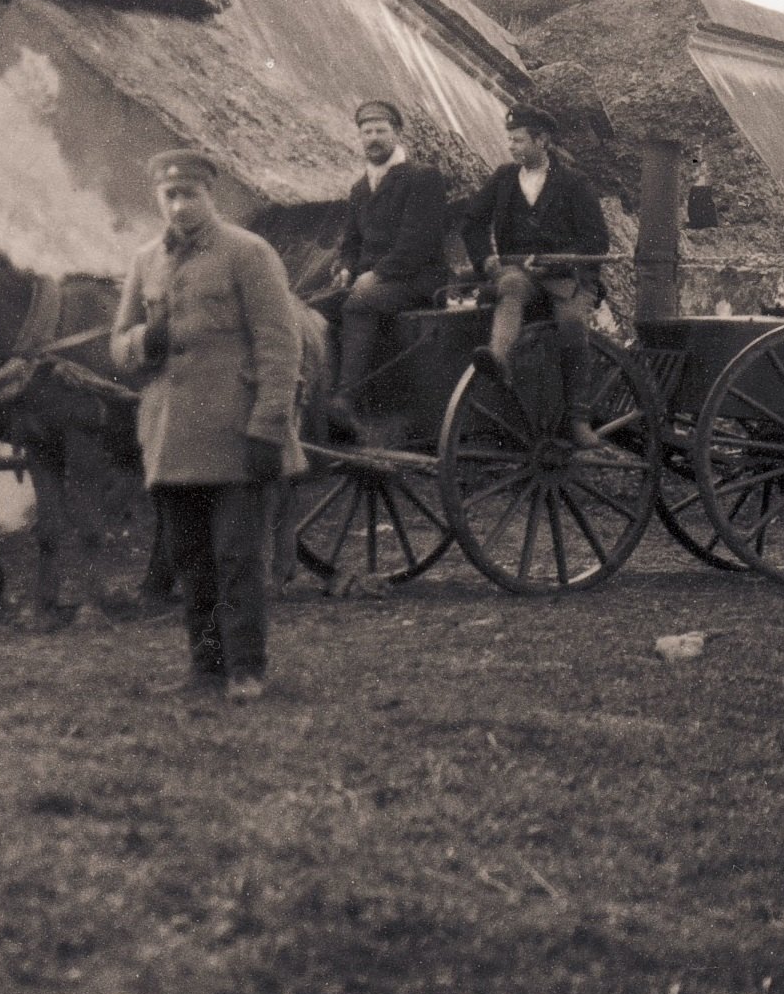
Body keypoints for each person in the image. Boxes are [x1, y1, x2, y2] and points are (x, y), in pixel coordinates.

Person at [109, 150, 303, 703]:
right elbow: (118, 346)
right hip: (172, 439)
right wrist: (147, 341)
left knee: (237, 554)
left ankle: (246, 669)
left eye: (189, 194)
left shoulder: (248, 253)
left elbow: (279, 343)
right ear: (158, 199)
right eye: (169, 196)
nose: (179, 205)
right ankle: (206, 668)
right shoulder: (146, 261)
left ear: (209, 197)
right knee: (189, 557)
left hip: (237, 434)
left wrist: (269, 423)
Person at [462, 104, 614, 445]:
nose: (511, 146)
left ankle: (578, 418)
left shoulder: (574, 182)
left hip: (567, 277)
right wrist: (487, 261)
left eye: (518, 140)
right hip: (519, 273)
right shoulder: (503, 179)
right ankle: (497, 357)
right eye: (510, 139)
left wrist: (555, 265)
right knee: (511, 285)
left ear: (541, 140)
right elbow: (472, 222)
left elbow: (596, 240)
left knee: (573, 323)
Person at [326, 97, 457, 436]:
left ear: (397, 133)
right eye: (366, 131)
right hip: (375, 282)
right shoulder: (359, 188)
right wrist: (345, 267)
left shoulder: (422, 178)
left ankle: (346, 397)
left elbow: (418, 242)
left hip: (419, 279)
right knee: (321, 305)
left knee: (359, 302)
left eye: (380, 130)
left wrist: (376, 274)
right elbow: (351, 241)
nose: (373, 138)